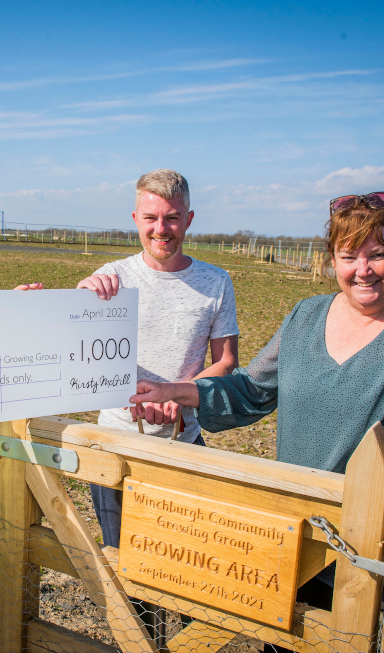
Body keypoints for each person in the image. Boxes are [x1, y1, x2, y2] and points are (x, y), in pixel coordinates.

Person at [129, 190, 384, 470]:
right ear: (332, 260)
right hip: (298, 512)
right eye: (348, 256)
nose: (363, 270)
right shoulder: (307, 315)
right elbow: (251, 389)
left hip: (374, 528)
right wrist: (173, 390)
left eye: (377, 254)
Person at [20, 169, 239, 547]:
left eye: (172, 217)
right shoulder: (111, 278)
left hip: (183, 443)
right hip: (115, 446)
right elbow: (74, 348)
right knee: (125, 572)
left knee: (188, 567)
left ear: (188, 219)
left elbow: (226, 361)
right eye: (151, 218)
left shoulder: (216, 282)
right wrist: (75, 299)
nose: (161, 229)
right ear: (135, 219)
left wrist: (176, 395)